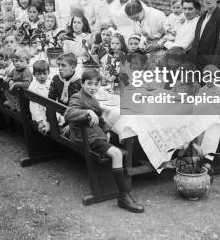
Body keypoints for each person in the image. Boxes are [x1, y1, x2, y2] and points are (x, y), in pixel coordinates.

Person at [64, 69, 144, 213]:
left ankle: (131, 168)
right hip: (87, 138)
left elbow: (100, 119)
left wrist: (106, 130)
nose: (92, 87)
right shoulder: (77, 97)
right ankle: (123, 197)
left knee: (126, 134)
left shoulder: (92, 98)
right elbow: (68, 113)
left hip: (93, 133)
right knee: (118, 153)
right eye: (89, 84)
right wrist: (88, 112)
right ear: (82, 83)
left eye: (96, 84)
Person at [188, 0, 220, 68]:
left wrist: (214, 64)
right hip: (196, 60)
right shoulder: (203, 16)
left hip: (209, 63)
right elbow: (197, 39)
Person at [28, 60, 55, 134]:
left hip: (49, 110)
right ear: (34, 74)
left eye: (45, 73)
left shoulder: (49, 82)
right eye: (39, 74)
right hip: (40, 113)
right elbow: (34, 106)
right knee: (44, 126)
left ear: (48, 73)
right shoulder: (33, 87)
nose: (42, 76)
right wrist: (39, 121)